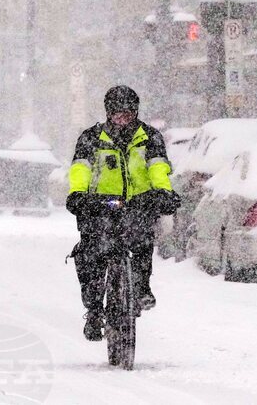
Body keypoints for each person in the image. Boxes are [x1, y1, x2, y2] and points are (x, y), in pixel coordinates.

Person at [66, 85, 181, 341]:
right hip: (100, 206)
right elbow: (80, 169)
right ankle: (94, 309)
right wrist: (78, 194)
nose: (123, 118)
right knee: (91, 253)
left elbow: (158, 168)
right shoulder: (91, 138)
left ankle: (141, 288)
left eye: (128, 113)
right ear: (108, 113)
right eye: (118, 113)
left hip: (137, 204)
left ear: (136, 112)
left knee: (141, 241)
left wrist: (164, 192)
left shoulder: (150, 137)